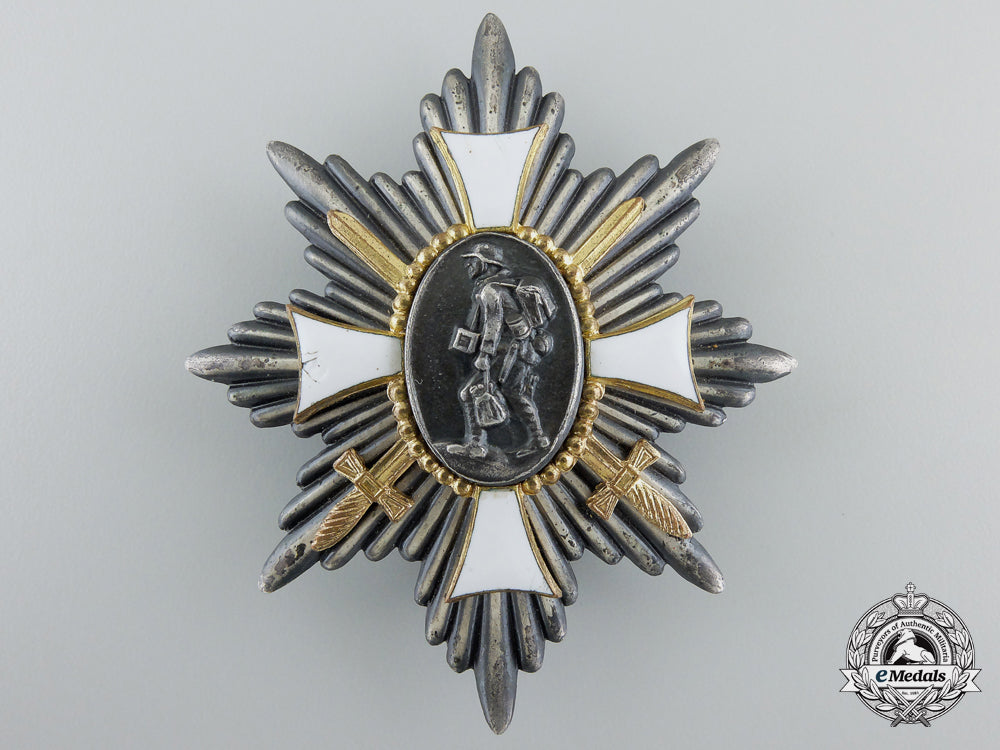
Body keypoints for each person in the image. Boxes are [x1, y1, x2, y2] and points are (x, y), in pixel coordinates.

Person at [447, 242, 555, 459]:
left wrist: (484, 355)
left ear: (486, 264)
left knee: (469, 393)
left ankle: (476, 445)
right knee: (516, 394)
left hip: (506, 354)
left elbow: (493, 325)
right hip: (521, 352)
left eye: (473, 260)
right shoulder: (505, 285)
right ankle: (540, 439)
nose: (468, 265)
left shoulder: (491, 290)